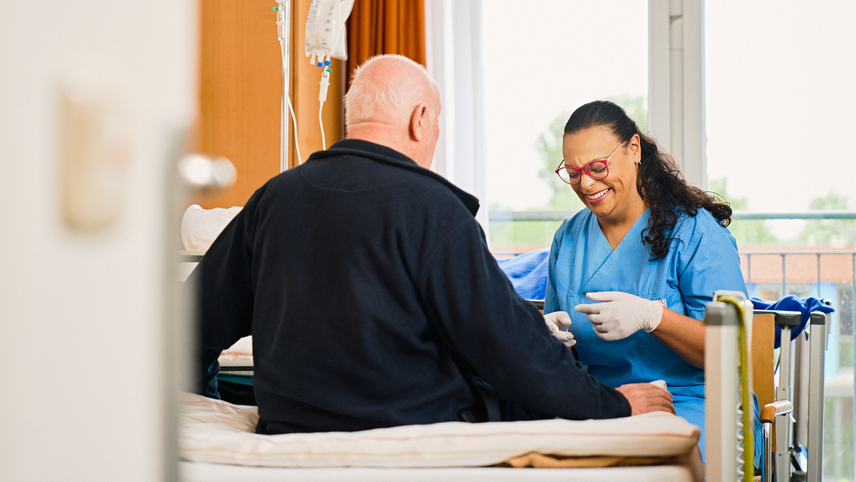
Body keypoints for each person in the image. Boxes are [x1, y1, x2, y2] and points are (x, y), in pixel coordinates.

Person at [189, 55, 673, 435]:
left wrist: (205, 404)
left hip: (289, 434)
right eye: (436, 124)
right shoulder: (434, 210)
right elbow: (513, 356)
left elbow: (187, 328)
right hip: (414, 432)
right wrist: (613, 405)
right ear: (421, 120)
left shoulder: (273, 200)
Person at [542, 99, 761, 462]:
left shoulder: (695, 233)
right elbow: (561, 357)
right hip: (604, 403)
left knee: (645, 462)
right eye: (574, 172)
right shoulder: (568, 240)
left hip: (692, 402)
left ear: (633, 149)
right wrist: (546, 338)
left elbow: (728, 350)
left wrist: (653, 317)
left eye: (598, 166)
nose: (587, 183)